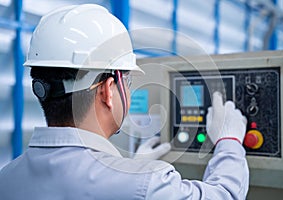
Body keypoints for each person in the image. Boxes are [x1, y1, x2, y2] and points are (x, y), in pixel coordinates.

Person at [0, 4, 249, 200]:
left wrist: (130, 168)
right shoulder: (149, 184)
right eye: (127, 83)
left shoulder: (7, 179)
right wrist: (229, 142)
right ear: (109, 90)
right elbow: (225, 195)